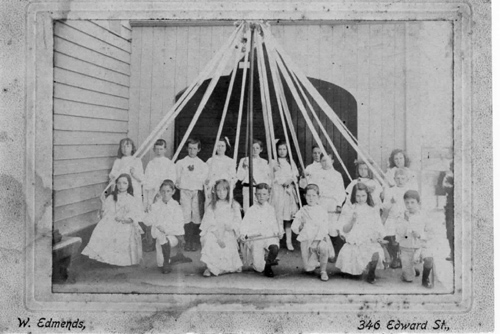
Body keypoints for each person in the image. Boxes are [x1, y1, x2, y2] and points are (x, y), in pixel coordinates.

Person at [82, 174, 144, 266]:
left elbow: (133, 214)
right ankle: (106, 258)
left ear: (129, 185)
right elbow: (106, 213)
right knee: (105, 228)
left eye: (124, 183)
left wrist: (124, 219)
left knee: (122, 231)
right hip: (113, 220)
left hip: (125, 222)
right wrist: (103, 203)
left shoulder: (131, 199)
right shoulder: (111, 197)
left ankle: (120, 260)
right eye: (119, 183)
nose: (121, 186)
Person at [335, 183, 386, 283]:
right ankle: (354, 271)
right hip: (354, 238)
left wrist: (377, 236)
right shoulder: (349, 208)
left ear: (367, 195)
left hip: (368, 238)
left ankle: (371, 272)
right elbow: (344, 230)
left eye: (363, 196)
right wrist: (352, 221)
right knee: (351, 255)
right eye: (358, 196)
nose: (361, 199)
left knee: (374, 252)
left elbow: (377, 226)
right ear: (354, 195)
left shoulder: (372, 210)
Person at [291, 184, 335, 281]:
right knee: (308, 268)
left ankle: (323, 270)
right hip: (307, 239)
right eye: (308, 195)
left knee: (323, 248)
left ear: (318, 197)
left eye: (314, 195)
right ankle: (317, 262)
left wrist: (316, 241)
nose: (311, 198)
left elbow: (324, 227)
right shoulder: (302, 211)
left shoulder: (322, 210)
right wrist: (301, 226)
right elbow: (294, 228)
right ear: (305, 196)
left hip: (319, 238)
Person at [200, 179, 243, 277]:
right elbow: (209, 222)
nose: (221, 193)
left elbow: (238, 220)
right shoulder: (212, 205)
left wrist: (231, 226)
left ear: (228, 191)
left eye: (224, 190)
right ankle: (210, 267)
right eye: (218, 190)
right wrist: (218, 237)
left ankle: (227, 266)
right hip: (215, 232)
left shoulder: (233, 205)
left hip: (228, 231)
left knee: (228, 241)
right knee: (210, 240)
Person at [143, 180, 188, 274]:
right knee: (160, 261)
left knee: (162, 238)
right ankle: (167, 261)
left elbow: (179, 224)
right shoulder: (155, 206)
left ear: (173, 192)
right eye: (163, 191)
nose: (165, 194)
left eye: (168, 191)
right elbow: (147, 221)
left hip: (173, 235)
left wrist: (166, 229)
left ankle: (167, 262)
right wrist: (148, 213)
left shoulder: (176, 206)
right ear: (159, 191)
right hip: (159, 235)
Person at [240, 183, 283, 277]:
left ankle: (268, 265)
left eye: (264, 194)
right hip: (257, 238)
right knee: (259, 268)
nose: (261, 197)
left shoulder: (271, 209)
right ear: (255, 195)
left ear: (268, 196)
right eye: (259, 194)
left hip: (268, 236)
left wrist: (278, 232)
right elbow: (244, 224)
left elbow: (275, 224)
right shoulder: (251, 210)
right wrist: (243, 234)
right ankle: (263, 260)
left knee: (274, 248)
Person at [308, 153, 346, 256]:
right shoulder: (316, 174)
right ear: (320, 162)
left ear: (332, 161)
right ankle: (321, 253)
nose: (325, 163)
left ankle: (335, 253)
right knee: (320, 226)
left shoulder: (337, 175)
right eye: (323, 160)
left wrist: (339, 204)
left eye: (328, 160)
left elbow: (341, 191)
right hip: (320, 202)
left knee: (332, 228)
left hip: (332, 203)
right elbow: (311, 187)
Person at [395, 190, 434, 288]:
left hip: (421, 245)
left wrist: (420, 235)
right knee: (408, 278)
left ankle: (425, 279)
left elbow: (431, 233)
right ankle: (411, 270)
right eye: (407, 202)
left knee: (429, 258)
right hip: (407, 247)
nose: (409, 205)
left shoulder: (424, 216)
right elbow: (400, 234)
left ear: (418, 203)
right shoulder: (401, 216)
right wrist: (406, 221)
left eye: (412, 202)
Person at [175, 138, 209, 252]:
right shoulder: (181, 163)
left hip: (196, 192)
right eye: (189, 148)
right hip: (185, 191)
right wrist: (182, 186)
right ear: (186, 149)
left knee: (196, 214)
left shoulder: (202, 164)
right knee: (185, 214)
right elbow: (177, 178)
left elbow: (204, 180)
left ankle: (194, 241)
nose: (192, 151)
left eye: (194, 148)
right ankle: (187, 240)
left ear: (198, 149)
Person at [270, 139, 299, 251]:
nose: (282, 151)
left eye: (284, 149)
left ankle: (288, 241)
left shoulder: (290, 162)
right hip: (277, 190)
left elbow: (295, 175)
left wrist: (290, 180)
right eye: (279, 149)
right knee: (278, 215)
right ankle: (276, 241)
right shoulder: (273, 162)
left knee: (287, 216)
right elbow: (270, 176)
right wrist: (281, 181)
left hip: (288, 191)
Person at [381, 167, 411, 268]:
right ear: (394, 179)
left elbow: (414, 206)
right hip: (392, 217)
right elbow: (385, 207)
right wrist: (391, 202)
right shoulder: (390, 191)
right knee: (390, 232)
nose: (400, 181)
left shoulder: (410, 191)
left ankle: (403, 257)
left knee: (405, 235)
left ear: (407, 179)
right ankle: (394, 257)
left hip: (405, 217)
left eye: (403, 178)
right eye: (398, 178)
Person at [236, 139, 272, 212]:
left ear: (261, 149)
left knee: (260, 211)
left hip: (259, 190)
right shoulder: (244, 160)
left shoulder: (264, 162)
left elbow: (267, 178)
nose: (254, 150)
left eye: (257, 148)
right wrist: (243, 167)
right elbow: (240, 177)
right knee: (247, 210)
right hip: (247, 188)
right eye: (252, 148)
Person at [143, 139, 176, 212]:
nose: (159, 151)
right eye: (157, 149)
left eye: (161, 149)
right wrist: (153, 187)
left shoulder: (169, 163)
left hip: (164, 190)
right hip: (153, 189)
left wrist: (162, 187)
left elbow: (172, 178)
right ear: (154, 150)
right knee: (153, 208)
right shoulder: (151, 163)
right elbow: (147, 177)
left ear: (165, 150)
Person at [109, 138, 144, 204]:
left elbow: (141, 178)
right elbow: (112, 175)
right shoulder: (118, 161)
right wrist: (116, 175)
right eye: (123, 146)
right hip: (122, 188)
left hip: (134, 188)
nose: (125, 149)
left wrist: (134, 174)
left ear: (132, 148)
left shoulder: (136, 161)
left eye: (128, 146)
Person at [205, 138, 237, 206]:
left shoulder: (230, 161)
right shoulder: (210, 160)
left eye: (222, 146)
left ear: (226, 147)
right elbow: (207, 176)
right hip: (213, 187)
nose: (220, 148)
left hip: (225, 188)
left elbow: (233, 176)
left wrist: (230, 185)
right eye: (218, 146)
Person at [443, 161, 454, 262]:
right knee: (450, 230)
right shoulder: (449, 176)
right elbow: (446, 187)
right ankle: (452, 251)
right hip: (451, 205)